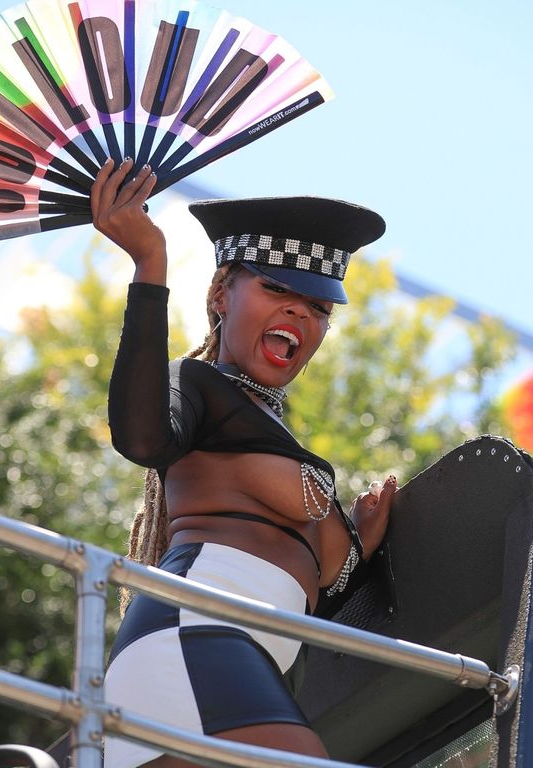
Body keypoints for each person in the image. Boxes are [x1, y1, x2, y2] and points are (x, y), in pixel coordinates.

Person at [91, 157, 397, 768]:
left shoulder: (277, 437)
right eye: (277, 288)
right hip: (195, 634)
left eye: (319, 308)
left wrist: (359, 545)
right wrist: (150, 263)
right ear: (220, 294)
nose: (300, 314)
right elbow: (143, 436)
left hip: (245, 660)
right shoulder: (199, 385)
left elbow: (323, 600)